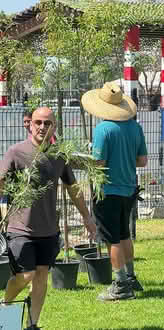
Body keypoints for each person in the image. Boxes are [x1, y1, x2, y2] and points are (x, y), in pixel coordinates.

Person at [0, 107, 96, 330]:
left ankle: (32, 324)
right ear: (30, 124)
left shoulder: (59, 155)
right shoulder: (16, 152)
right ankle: (5, 309)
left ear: (54, 126)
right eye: (38, 122)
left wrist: (87, 217)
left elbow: (73, 188)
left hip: (49, 231)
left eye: (47, 123)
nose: (42, 127)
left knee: (42, 276)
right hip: (20, 229)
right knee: (25, 276)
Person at [81, 82, 148, 301]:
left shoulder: (103, 129)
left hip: (107, 191)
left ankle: (120, 286)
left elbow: (98, 163)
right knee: (124, 233)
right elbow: (142, 161)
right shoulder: (135, 127)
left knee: (112, 239)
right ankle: (130, 277)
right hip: (129, 189)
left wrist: (83, 160)